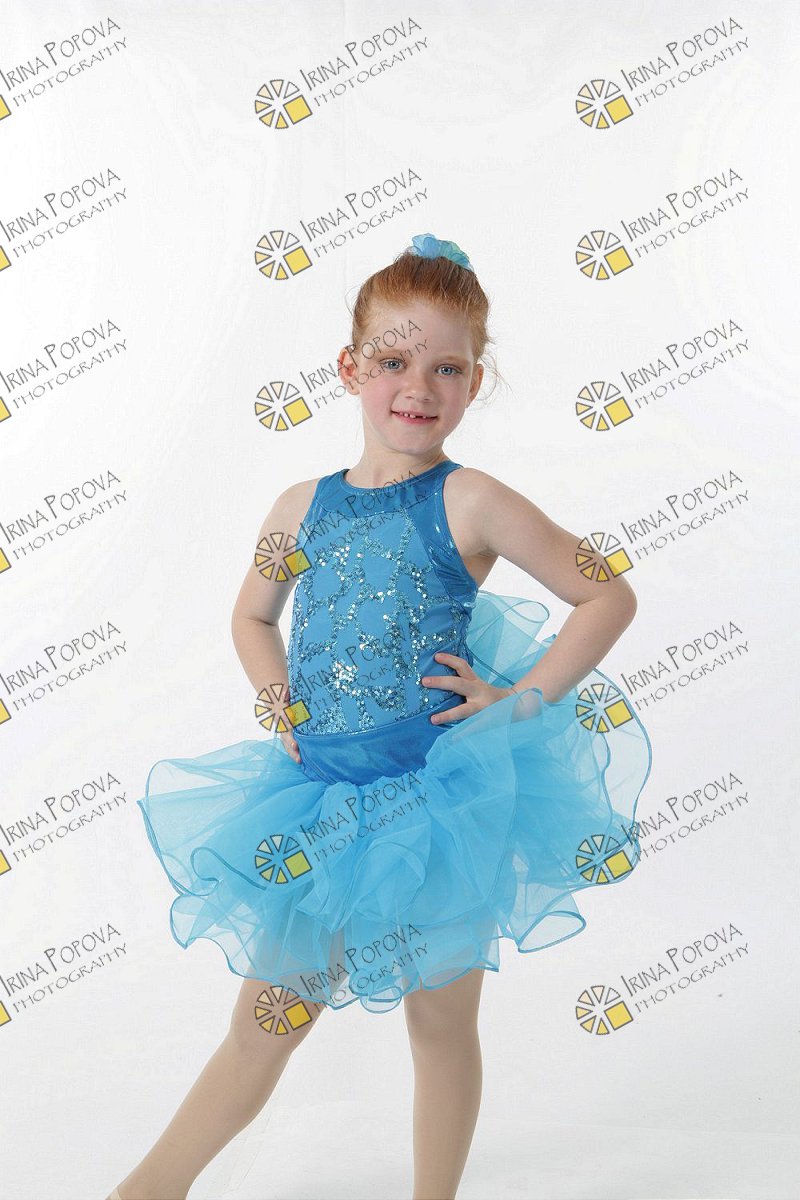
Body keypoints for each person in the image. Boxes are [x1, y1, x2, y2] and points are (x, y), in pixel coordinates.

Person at [106, 233, 652, 1200]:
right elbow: (251, 616)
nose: (419, 387)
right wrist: (277, 701)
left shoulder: (471, 499)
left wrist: (520, 700)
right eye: (395, 361)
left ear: (476, 381)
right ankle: (146, 1191)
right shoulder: (298, 508)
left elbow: (605, 591)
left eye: (448, 368)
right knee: (265, 1024)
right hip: (317, 804)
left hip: (436, 806)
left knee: (440, 1029)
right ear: (349, 368)